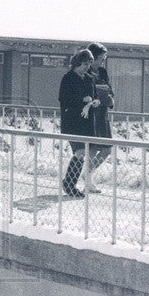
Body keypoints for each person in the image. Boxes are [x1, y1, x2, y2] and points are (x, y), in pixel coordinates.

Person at [58, 49, 99, 197]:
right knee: (80, 153)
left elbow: (94, 95)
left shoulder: (89, 78)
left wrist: (95, 102)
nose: (88, 67)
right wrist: (82, 99)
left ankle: (69, 183)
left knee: (82, 154)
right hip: (72, 122)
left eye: (89, 64)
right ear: (78, 63)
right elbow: (63, 99)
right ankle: (69, 184)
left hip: (86, 122)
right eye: (85, 64)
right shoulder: (68, 78)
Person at [84, 42, 115, 193]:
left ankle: (88, 174)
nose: (103, 60)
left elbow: (110, 90)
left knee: (107, 149)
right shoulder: (85, 71)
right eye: (101, 57)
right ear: (94, 57)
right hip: (91, 115)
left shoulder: (103, 72)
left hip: (102, 115)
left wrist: (109, 98)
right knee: (92, 148)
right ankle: (88, 181)